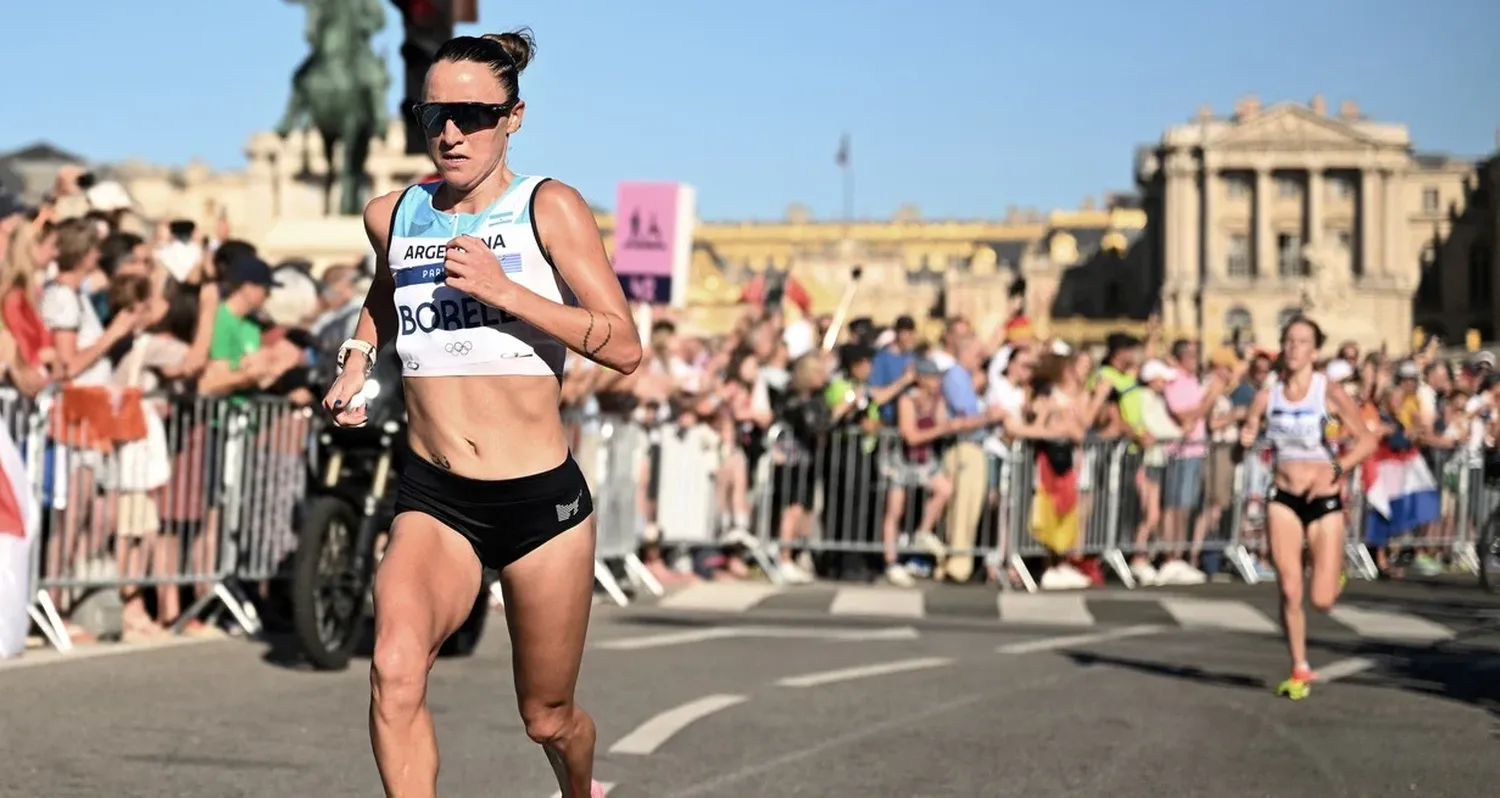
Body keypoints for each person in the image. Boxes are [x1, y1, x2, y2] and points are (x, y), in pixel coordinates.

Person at [320, 29, 641, 798]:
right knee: (394, 670)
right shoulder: (392, 215)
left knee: (547, 717)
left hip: (539, 503)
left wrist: (510, 295)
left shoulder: (550, 208)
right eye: (434, 114)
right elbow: (383, 297)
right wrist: (356, 360)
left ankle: (580, 790)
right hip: (437, 497)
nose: (451, 132)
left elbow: (624, 347)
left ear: (515, 116)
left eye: (473, 113)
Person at [1239, 316, 1375, 700]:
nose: (1295, 347)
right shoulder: (1267, 396)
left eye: (1303, 342)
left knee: (1322, 599)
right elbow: (1244, 442)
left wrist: (1337, 468)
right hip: (1282, 497)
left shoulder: (1327, 392)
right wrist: (1244, 438)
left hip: (1323, 498)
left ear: (1314, 352)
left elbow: (1366, 440)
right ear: (1282, 347)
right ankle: (1299, 665)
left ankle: (1334, 572)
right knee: (1289, 587)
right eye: (1290, 341)